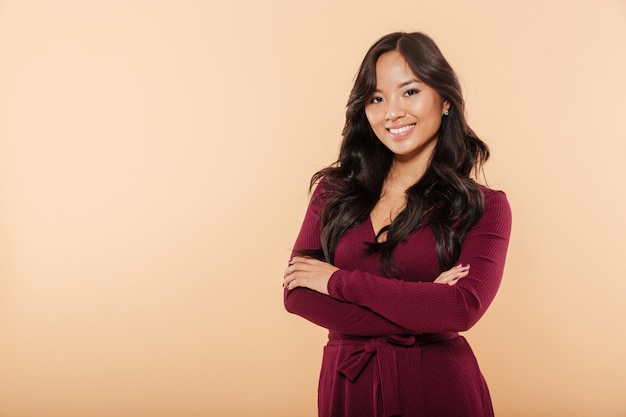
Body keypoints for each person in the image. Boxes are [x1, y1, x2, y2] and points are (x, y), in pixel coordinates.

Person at [283, 32, 511, 417]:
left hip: (440, 389)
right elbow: (297, 295)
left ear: (446, 101)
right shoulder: (332, 192)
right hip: (348, 390)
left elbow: (462, 309)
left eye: (409, 92)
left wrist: (336, 281)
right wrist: (423, 305)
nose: (392, 112)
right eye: (376, 98)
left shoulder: (484, 206)